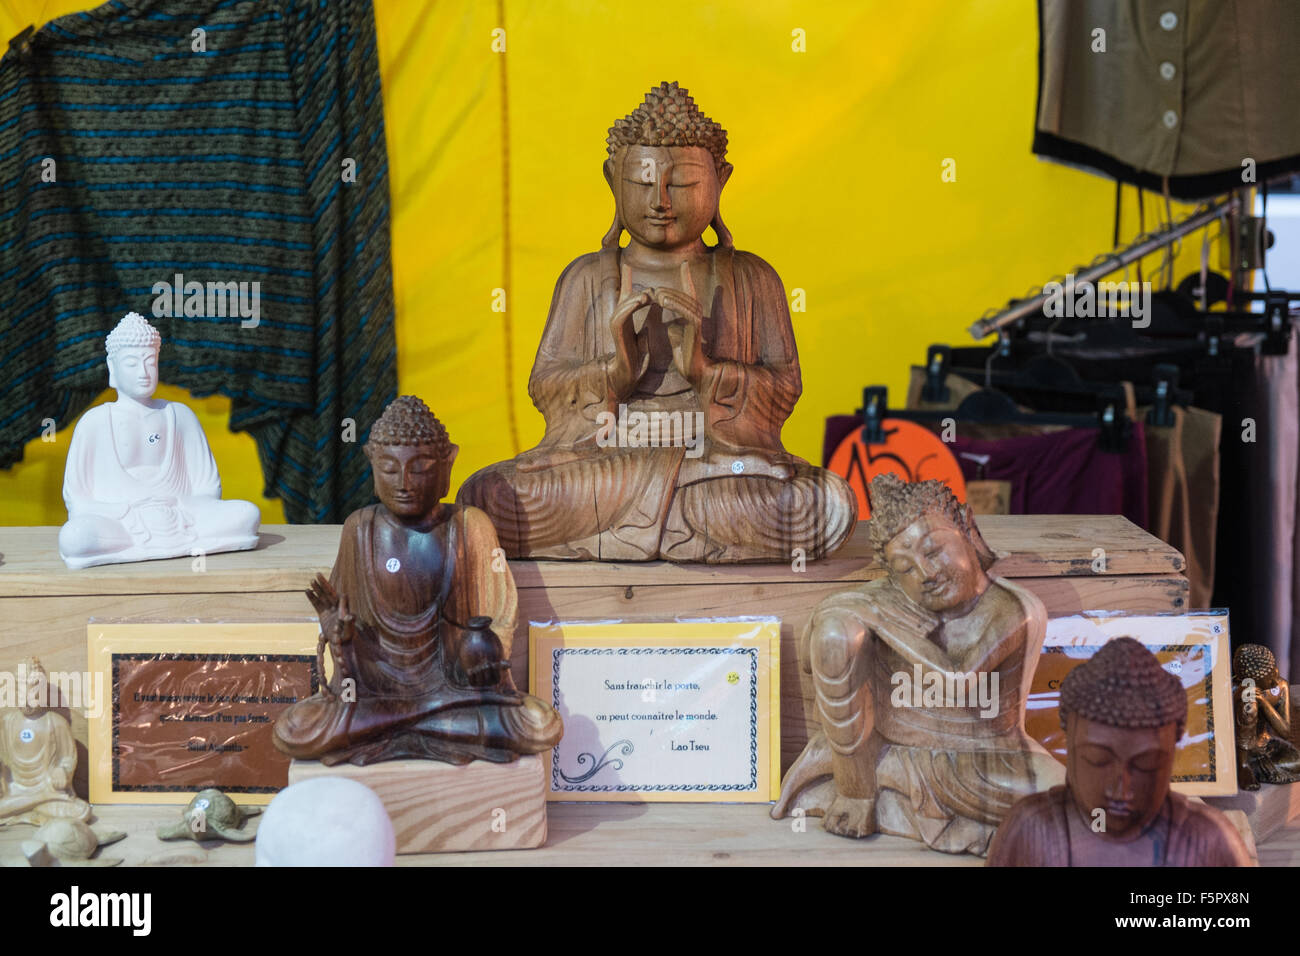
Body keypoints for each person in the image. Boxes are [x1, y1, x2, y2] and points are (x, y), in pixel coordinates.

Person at [458, 82, 855, 563]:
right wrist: (614, 373)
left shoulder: (753, 278)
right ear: (612, 180)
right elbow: (545, 384)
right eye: (642, 183)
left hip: (716, 459)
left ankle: (647, 525)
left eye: (682, 184)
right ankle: (681, 529)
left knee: (826, 503)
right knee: (489, 496)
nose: (660, 200)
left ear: (720, 180)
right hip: (609, 456)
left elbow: (785, 386)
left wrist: (705, 371)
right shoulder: (585, 278)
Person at [772, 474, 1063, 855]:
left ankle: (889, 776)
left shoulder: (1014, 609)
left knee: (1057, 796)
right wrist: (841, 619)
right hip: (882, 746)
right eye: (905, 568)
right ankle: (856, 788)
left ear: (967, 528)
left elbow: (959, 681)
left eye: (934, 550)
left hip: (984, 761)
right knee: (836, 634)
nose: (925, 574)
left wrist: (885, 623)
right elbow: (819, 649)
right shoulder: (886, 602)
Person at [273, 396, 562, 766]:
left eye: (420, 468)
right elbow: (347, 657)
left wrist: (482, 654)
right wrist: (339, 637)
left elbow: (498, 620)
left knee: (540, 725)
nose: (404, 483)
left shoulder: (470, 527)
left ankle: (402, 723)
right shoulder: (359, 530)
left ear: (448, 463)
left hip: (454, 692)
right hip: (377, 694)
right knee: (294, 728)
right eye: (390, 469)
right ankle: (412, 721)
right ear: (372, 465)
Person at [987, 637, 1253, 866]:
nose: (1121, 789)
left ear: (1174, 756)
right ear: (1068, 746)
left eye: (1147, 764)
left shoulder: (1207, 840)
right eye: (1097, 760)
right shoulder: (1031, 831)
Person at [58, 311, 260, 569]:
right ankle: (144, 544)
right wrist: (127, 511)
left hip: (182, 517)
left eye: (150, 362)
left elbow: (207, 489)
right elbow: (77, 499)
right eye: (132, 364)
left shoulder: (179, 415)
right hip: (121, 523)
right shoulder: (94, 422)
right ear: (113, 368)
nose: (143, 372)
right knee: (74, 537)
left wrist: (176, 507)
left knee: (247, 515)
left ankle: (149, 547)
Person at [0, 659, 91, 826]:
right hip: (16, 789)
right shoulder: (8, 722)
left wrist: (62, 770)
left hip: (47, 787)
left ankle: (28, 807)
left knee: (82, 811)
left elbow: (68, 758)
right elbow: (5, 761)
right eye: (21, 687)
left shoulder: (56, 723)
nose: (28, 695)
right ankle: (37, 804)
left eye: (34, 687)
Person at [1232, 643, 1300, 789]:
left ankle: (1253, 768)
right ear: (1252, 682)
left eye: (1275, 671)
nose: (1275, 679)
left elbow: (1285, 732)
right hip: (1238, 751)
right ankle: (1243, 766)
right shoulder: (1234, 689)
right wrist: (1237, 697)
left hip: (1266, 746)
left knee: (1297, 762)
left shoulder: (1280, 686)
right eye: (1269, 679)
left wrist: (1264, 703)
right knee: (1249, 706)